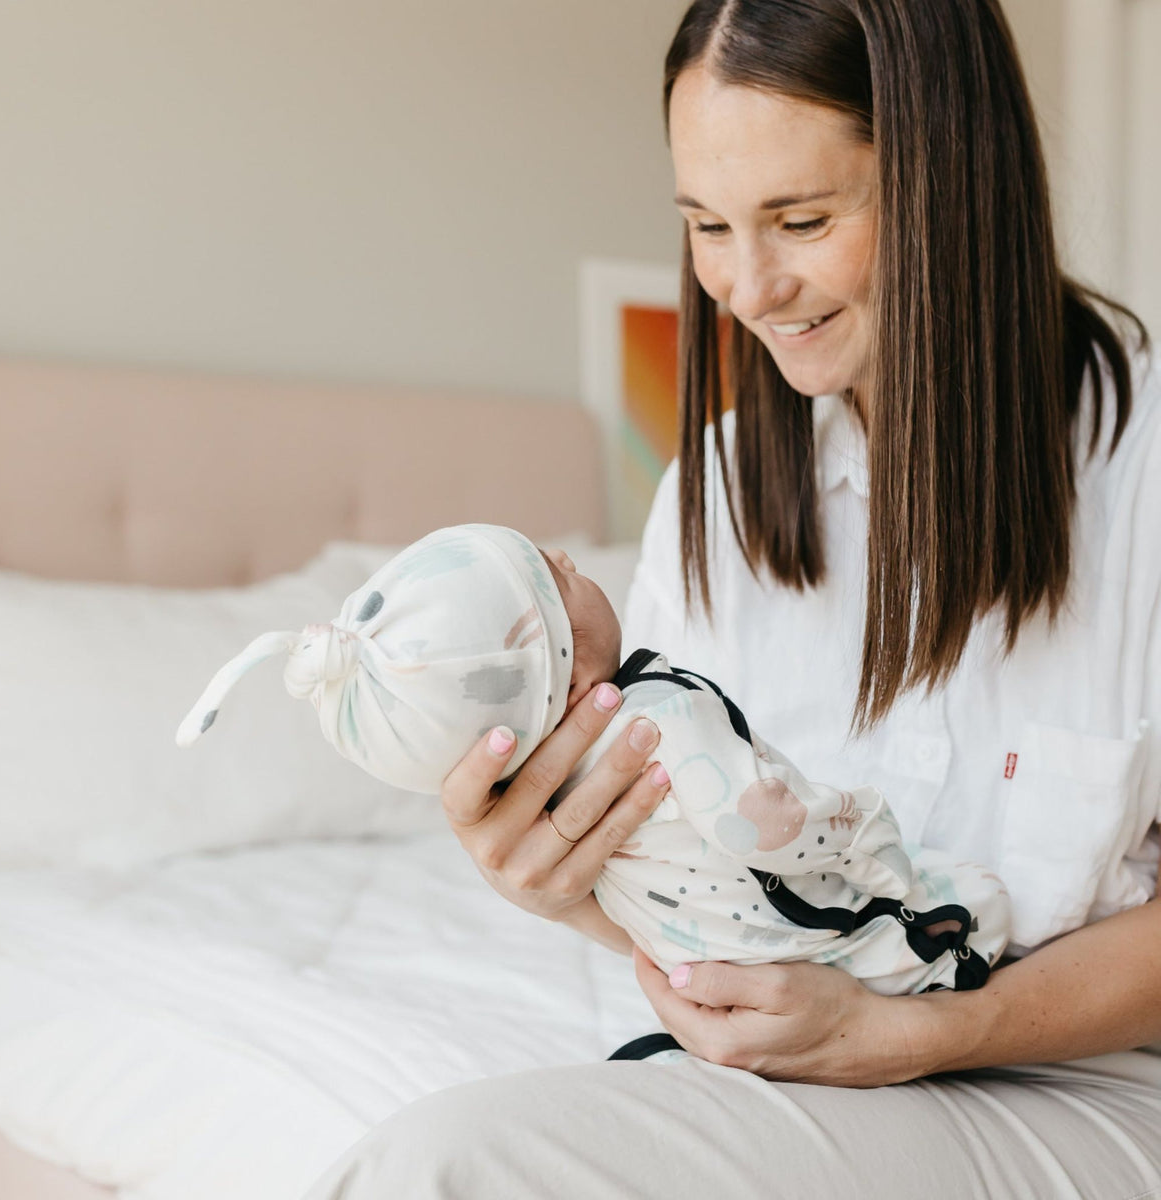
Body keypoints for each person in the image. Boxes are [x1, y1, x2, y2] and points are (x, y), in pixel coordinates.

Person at [307, 1, 1161, 1195]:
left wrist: (926, 1034)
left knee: (450, 1168)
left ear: (952, 187)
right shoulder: (716, 486)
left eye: (801, 220)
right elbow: (715, 896)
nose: (747, 287)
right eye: (706, 225)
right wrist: (574, 883)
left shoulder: (1142, 473)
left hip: (1090, 1087)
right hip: (800, 1086)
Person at [179, 522, 1009, 996]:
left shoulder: (558, 787)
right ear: (573, 665)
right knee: (949, 912)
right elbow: (762, 823)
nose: (574, 559)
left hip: (703, 972)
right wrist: (861, 826)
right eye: (556, 573)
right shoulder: (656, 716)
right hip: (792, 943)